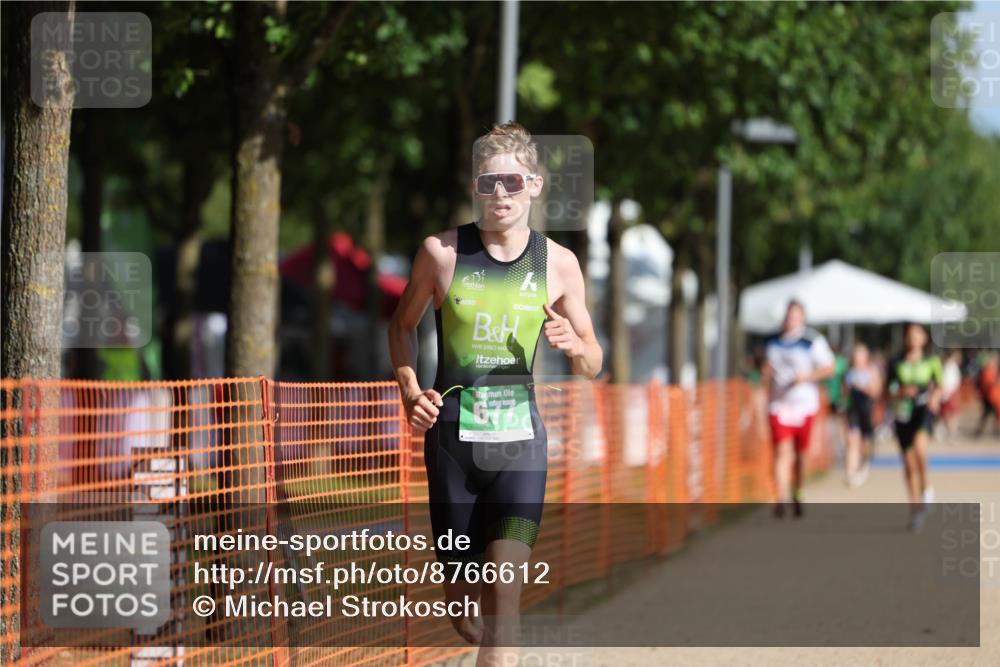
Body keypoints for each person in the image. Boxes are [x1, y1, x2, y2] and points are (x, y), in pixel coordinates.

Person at [388, 123, 602, 663]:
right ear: (475, 188)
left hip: (520, 447)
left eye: (510, 181)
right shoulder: (441, 253)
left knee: (505, 595)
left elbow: (593, 363)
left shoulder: (558, 264)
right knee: (465, 610)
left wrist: (574, 343)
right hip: (453, 445)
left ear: (534, 184)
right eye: (487, 184)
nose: (499, 194)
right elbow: (401, 327)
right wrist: (411, 389)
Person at [762, 300, 836, 518]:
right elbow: (765, 367)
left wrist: (806, 377)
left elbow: (829, 368)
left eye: (795, 316)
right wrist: (766, 374)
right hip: (780, 404)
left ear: (802, 318)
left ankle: (798, 490)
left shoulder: (812, 341)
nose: (790, 320)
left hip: (804, 404)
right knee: (782, 452)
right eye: (788, 316)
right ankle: (781, 497)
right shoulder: (772, 341)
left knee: (801, 454)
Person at [887, 323, 943, 531]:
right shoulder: (895, 362)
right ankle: (915, 508)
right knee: (908, 465)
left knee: (920, 449)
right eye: (908, 336)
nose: (912, 340)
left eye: (916, 335)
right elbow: (888, 388)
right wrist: (900, 392)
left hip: (922, 411)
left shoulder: (931, 361)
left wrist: (935, 399)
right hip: (902, 413)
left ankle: (926, 487)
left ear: (923, 338)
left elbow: (940, 384)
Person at [844, 343, 881, 487]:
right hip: (853, 411)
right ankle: (850, 473)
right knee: (852, 440)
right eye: (856, 356)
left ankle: (864, 463)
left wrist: (862, 387)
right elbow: (845, 392)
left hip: (867, 410)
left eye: (860, 355)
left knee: (865, 443)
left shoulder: (872, 371)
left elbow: (876, 392)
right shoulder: (850, 372)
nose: (857, 358)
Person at [938, 350, 963, 441]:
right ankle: (949, 432)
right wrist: (946, 394)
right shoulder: (949, 367)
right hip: (949, 393)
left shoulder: (952, 366)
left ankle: (949, 432)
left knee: (951, 414)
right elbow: (947, 381)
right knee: (949, 414)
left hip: (952, 393)